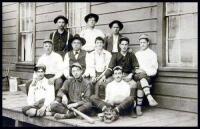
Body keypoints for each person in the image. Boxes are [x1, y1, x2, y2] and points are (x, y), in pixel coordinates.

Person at [134, 34, 158, 116]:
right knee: (140, 77)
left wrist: (145, 72)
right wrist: (138, 70)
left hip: (147, 77)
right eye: (141, 42)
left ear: (148, 43)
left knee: (140, 83)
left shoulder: (152, 54)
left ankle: (138, 107)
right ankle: (149, 97)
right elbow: (135, 67)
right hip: (136, 75)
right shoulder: (137, 54)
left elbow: (154, 70)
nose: (142, 44)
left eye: (144, 42)